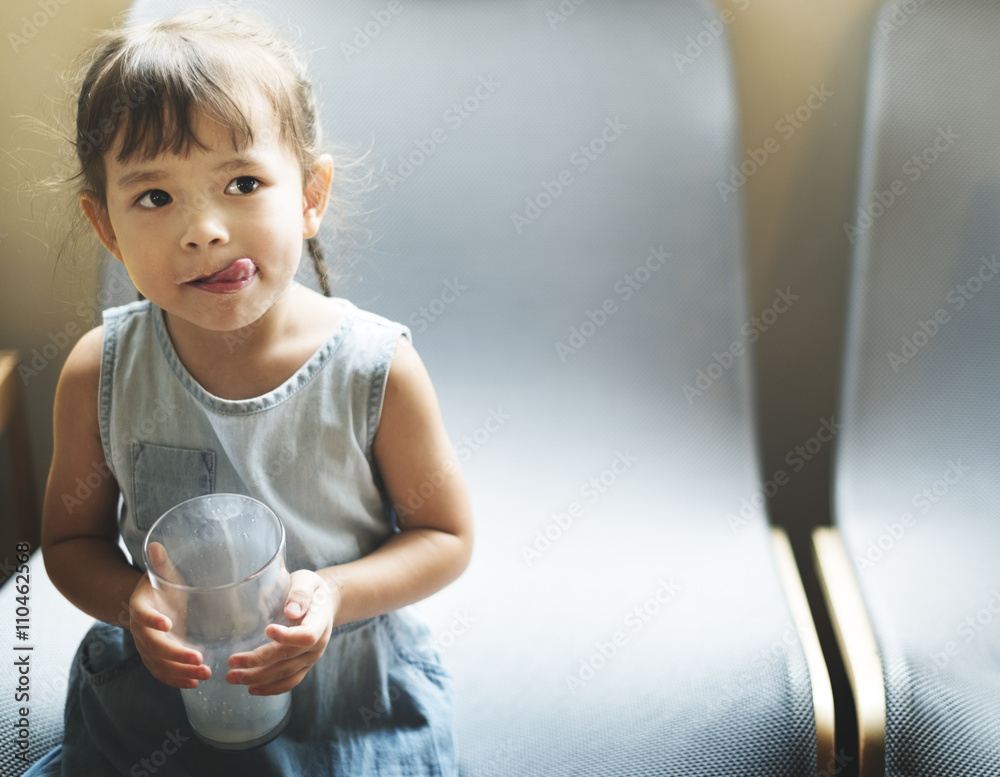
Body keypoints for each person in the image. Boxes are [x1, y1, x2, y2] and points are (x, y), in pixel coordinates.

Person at [28, 6, 473, 775]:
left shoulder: (376, 368)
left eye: (241, 182)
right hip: (169, 688)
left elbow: (445, 538)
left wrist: (331, 595)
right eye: (154, 198)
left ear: (309, 194)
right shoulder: (97, 372)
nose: (203, 228)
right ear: (106, 229)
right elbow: (71, 545)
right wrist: (132, 603)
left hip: (346, 689)